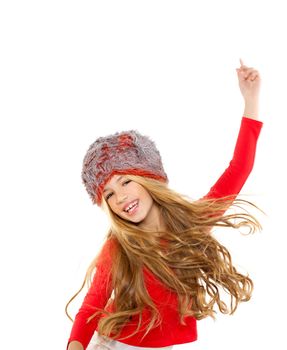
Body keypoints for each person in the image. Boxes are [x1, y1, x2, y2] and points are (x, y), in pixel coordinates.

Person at [65, 58, 264, 350]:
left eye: (125, 181)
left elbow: (239, 168)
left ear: (149, 180)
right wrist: (75, 345)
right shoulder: (119, 247)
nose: (119, 197)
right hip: (114, 344)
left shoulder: (192, 225)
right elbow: (92, 305)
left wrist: (251, 99)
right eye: (108, 194)